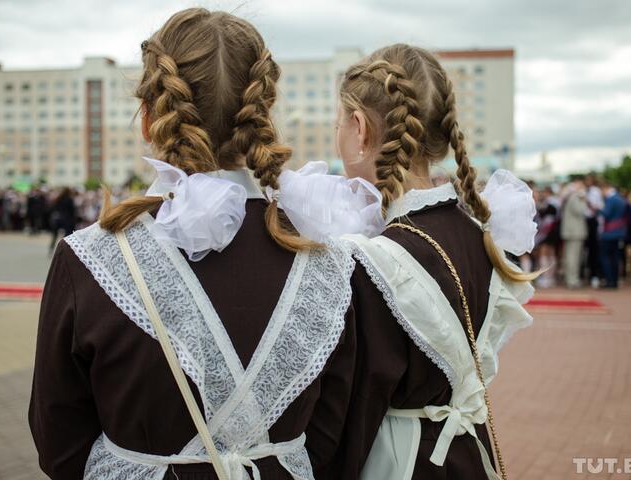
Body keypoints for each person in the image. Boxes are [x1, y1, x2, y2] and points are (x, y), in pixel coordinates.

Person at [28, 8, 384, 480]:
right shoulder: (329, 258)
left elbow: (58, 436)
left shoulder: (88, 257)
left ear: (150, 119)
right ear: (262, 115)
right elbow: (331, 425)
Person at [320, 44, 537, 480]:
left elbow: (352, 408)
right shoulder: (479, 232)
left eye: (340, 121)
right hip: (468, 456)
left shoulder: (373, 261)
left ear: (360, 129)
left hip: (401, 463)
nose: (338, 132)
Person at [598, 181, 627, 289]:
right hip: (618, 231)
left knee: (605, 257)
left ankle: (609, 281)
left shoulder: (611, 199)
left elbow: (606, 214)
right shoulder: (620, 198)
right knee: (615, 257)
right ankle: (614, 280)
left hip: (609, 233)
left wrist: (598, 209)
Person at [560, 180, 588, 288]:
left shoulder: (569, 197)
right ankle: (572, 280)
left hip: (571, 231)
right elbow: (581, 210)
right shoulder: (575, 197)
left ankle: (570, 279)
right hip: (575, 232)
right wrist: (583, 200)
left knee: (570, 256)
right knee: (573, 257)